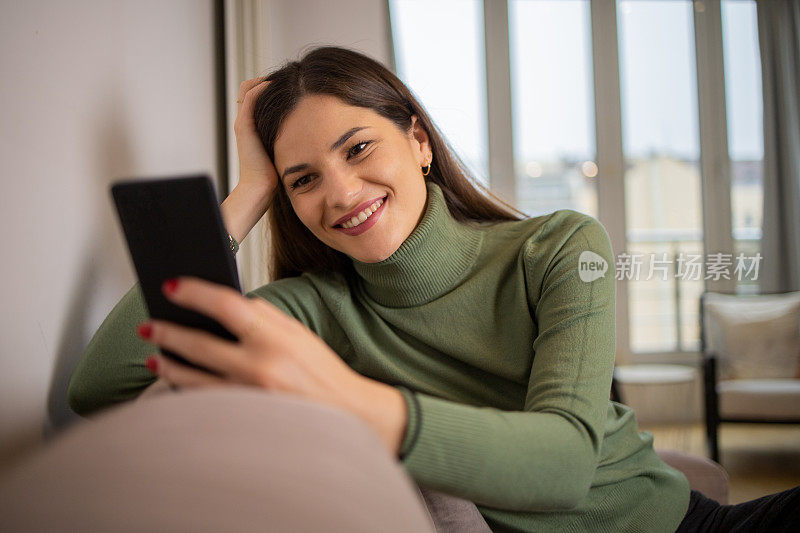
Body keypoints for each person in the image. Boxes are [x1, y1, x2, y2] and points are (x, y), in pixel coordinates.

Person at [65, 46, 799, 532]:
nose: (342, 191)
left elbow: (566, 462)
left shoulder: (561, 246)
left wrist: (348, 396)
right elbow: (100, 384)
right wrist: (250, 188)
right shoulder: (320, 307)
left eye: (358, 148)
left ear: (418, 141)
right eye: (304, 180)